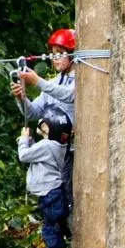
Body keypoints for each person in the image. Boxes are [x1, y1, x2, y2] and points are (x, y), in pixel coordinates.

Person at [11, 29, 77, 209]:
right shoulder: (53, 83)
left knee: (72, 199)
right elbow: (33, 113)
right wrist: (22, 98)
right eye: (53, 53)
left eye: (60, 53)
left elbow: (70, 96)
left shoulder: (82, 79)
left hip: (73, 151)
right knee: (58, 203)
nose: (55, 58)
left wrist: (38, 81)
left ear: (72, 54)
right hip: (54, 153)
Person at [18, 108, 71, 248]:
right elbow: (37, 154)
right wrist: (31, 142)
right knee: (55, 227)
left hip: (50, 193)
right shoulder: (57, 146)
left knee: (50, 226)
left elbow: (24, 156)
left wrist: (23, 139)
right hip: (55, 192)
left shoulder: (47, 145)